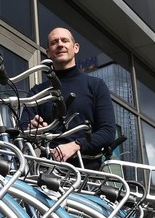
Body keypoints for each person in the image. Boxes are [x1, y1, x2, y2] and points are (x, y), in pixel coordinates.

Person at [20, 27, 116, 169]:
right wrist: (31, 127)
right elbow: (22, 129)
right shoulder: (38, 91)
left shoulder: (96, 86)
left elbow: (107, 131)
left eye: (65, 40)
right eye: (54, 42)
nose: (60, 44)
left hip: (88, 174)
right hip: (48, 170)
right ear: (48, 53)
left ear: (75, 47)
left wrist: (75, 145)